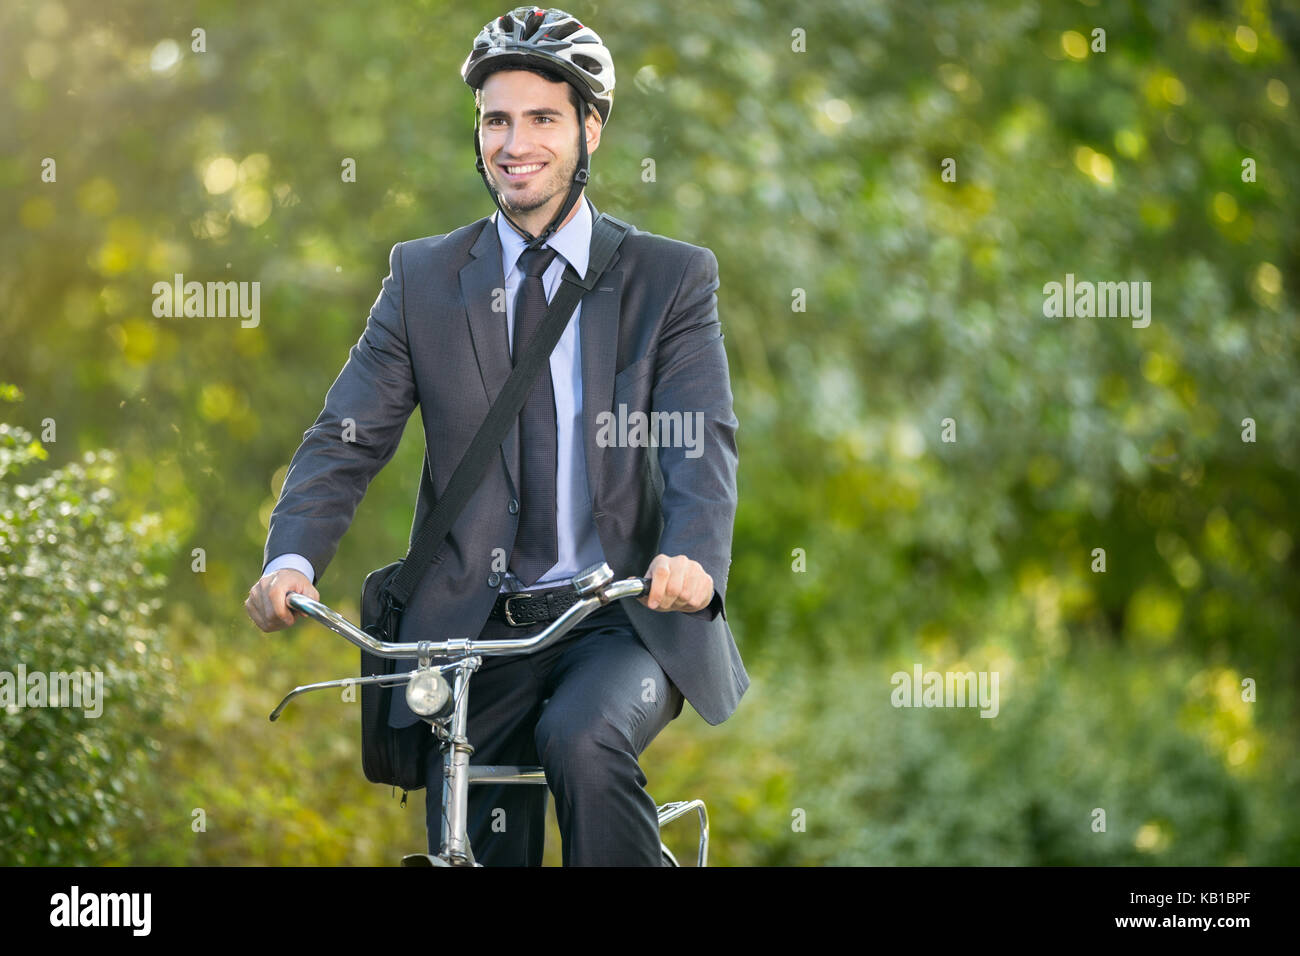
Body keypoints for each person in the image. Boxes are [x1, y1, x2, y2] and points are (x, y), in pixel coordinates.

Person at [244, 6, 747, 866]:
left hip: (615, 619)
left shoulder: (666, 280)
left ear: (590, 130)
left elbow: (697, 441)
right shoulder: (424, 278)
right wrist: (290, 557)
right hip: (471, 634)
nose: (516, 143)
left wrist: (693, 556)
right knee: (471, 840)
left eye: (543, 118)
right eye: (496, 120)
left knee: (583, 740)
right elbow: (347, 436)